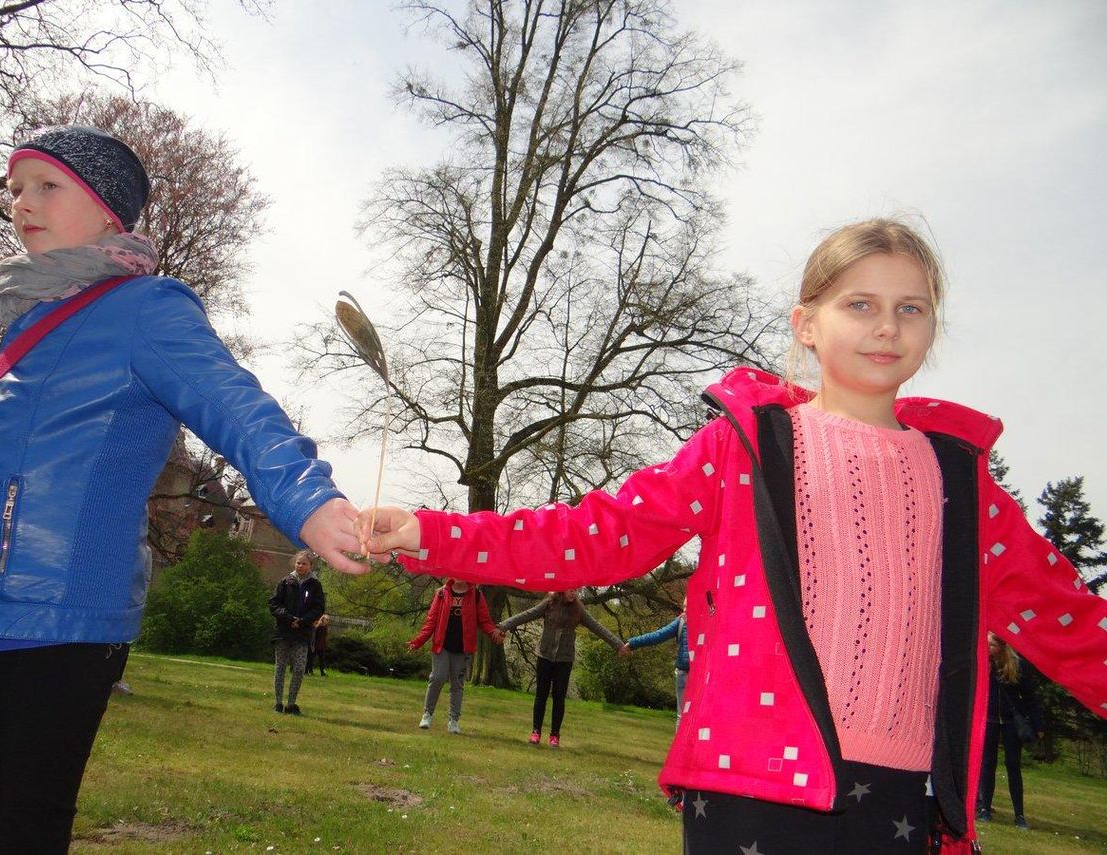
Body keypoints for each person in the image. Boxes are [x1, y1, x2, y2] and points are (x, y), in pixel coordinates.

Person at [357, 218, 1107, 854]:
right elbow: (597, 534)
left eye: (912, 308)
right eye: (861, 303)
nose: (887, 325)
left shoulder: (963, 481)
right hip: (751, 784)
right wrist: (431, 532)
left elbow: (1066, 618)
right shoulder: (746, 448)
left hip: (906, 798)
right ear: (807, 324)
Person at [0, 125, 368, 852]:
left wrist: (308, 499)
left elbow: (237, 405)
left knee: (11, 829)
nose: (22, 201)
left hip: (52, 621)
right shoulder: (11, 332)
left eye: (47, 185)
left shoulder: (144, 310)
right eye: (16, 186)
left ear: (107, 210)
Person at [495, 588, 624, 748]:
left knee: (559, 697)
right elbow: (526, 615)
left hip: (564, 659)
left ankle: (554, 735)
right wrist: (503, 626)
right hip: (545, 655)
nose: (574, 593)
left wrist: (618, 645)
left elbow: (597, 627)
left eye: (576, 590)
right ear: (562, 589)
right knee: (541, 695)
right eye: (571, 590)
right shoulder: (549, 603)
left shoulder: (578, 609)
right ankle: (536, 731)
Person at [407, 577, 501, 734]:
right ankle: (427, 715)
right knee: (437, 677)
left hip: (463, 648)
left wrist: (493, 632)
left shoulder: (476, 595)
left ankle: (453, 721)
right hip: (442, 646)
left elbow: (484, 620)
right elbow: (431, 621)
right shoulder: (441, 593)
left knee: (457, 685)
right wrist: (417, 642)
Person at [976, 632, 1044, 830]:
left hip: (1012, 722)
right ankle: (985, 809)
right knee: (988, 764)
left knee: (1013, 765)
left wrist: (1038, 725)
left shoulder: (1016, 666)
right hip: (989, 720)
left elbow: (1030, 698)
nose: (988, 649)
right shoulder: (984, 664)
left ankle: (1019, 815)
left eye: (991, 646)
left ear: (1001, 647)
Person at [270, 551, 326, 714]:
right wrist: (288, 618)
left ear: (311, 566)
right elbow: (274, 604)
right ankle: (278, 703)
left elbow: (319, 608)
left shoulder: (315, 585)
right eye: (298, 563)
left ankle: (291, 704)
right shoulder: (285, 582)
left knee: (300, 668)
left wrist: (303, 621)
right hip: (283, 631)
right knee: (280, 667)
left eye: (304, 563)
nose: (300, 566)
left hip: (302, 634)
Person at [622, 597, 689, 727]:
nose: (685, 610)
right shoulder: (681, 622)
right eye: (684, 606)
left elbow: (658, 636)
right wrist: (633, 643)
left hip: (695, 676)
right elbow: (658, 635)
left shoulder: (700, 621)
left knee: (688, 717)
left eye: (688, 606)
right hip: (684, 674)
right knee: (683, 717)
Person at [306, 612, 331, 676]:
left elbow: (325, 637)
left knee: (322, 659)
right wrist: (312, 645)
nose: (328, 621)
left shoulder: (325, 627)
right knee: (311, 659)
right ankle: (308, 670)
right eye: (327, 619)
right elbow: (313, 636)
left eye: (328, 620)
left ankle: (322, 672)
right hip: (315, 645)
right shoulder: (317, 627)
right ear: (322, 619)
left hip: (321, 646)